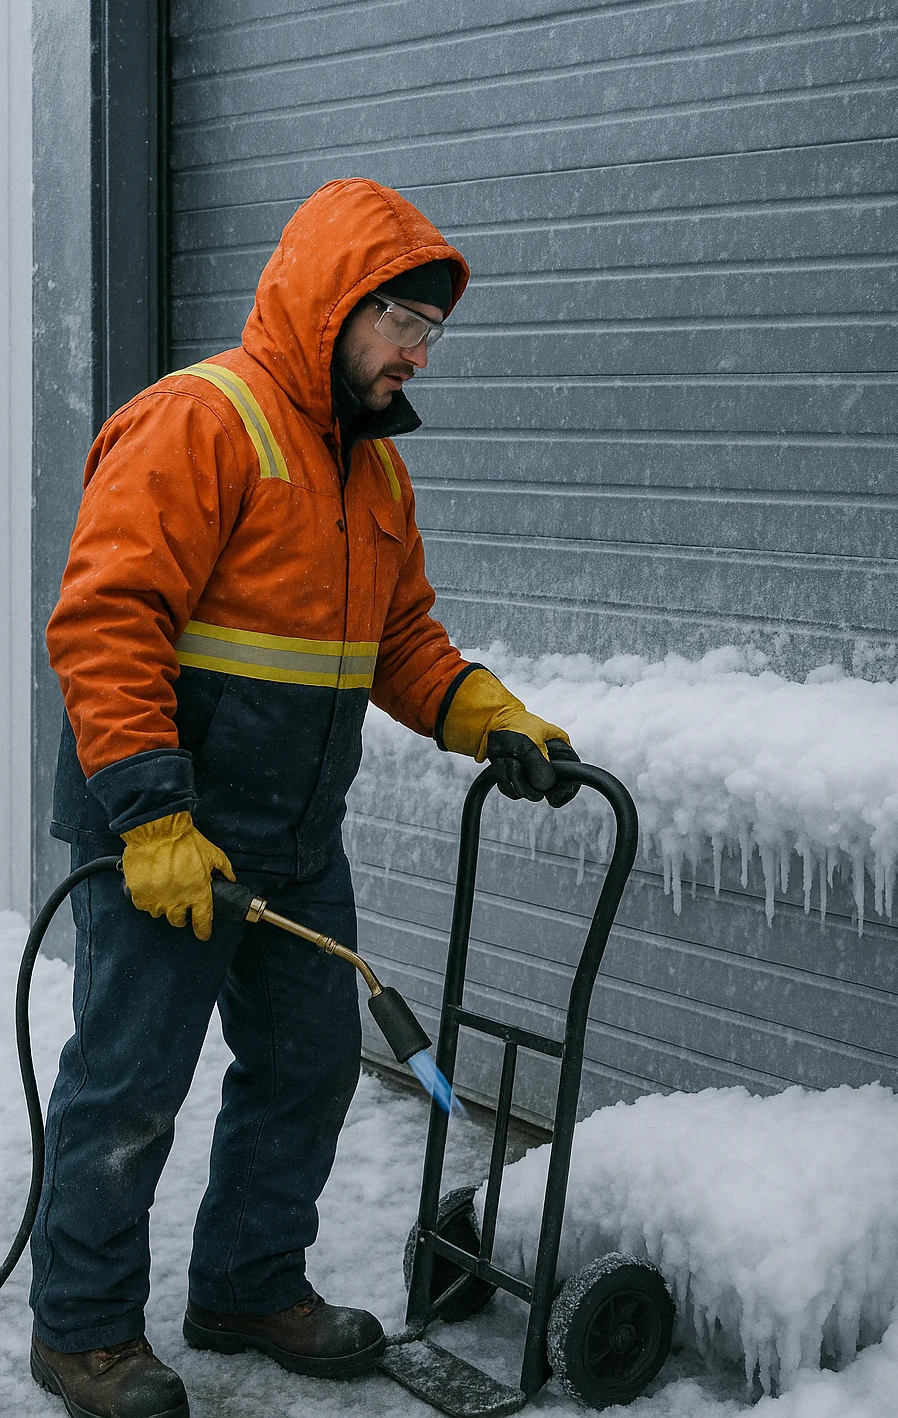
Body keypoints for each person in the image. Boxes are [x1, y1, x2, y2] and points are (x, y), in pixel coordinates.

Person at [31, 178, 579, 1418]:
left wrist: (484, 712)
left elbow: (402, 645)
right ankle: (79, 1330)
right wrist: (151, 817)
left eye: (431, 333)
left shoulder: (375, 480)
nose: (415, 352)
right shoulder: (201, 421)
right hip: (163, 831)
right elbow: (106, 622)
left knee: (306, 1060)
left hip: (291, 833)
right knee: (129, 1084)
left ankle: (244, 1283)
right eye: (399, 320)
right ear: (333, 305)